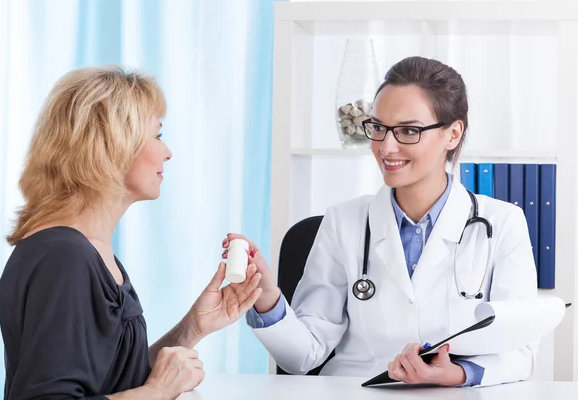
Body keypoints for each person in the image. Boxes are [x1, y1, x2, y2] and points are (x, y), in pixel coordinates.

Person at [224, 56, 538, 387]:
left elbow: (520, 352)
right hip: (356, 391)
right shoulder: (343, 222)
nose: (386, 147)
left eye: (408, 131)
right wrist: (266, 296)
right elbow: (304, 356)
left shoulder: (502, 224)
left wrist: (457, 374)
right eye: (378, 127)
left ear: (453, 134)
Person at [0, 66, 262, 400]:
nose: (168, 152)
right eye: (158, 135)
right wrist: (158, 391)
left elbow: (114, 379)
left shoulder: (88, 251)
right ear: (114, 145)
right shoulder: (64, 258)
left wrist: (193, 327)